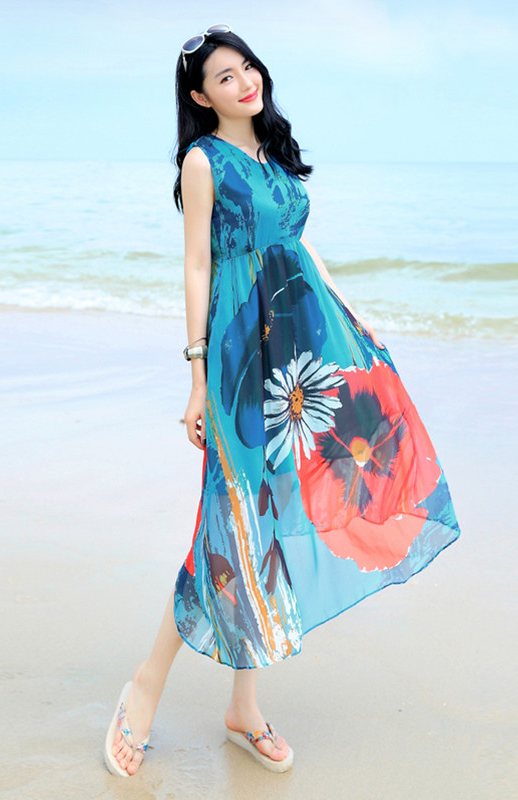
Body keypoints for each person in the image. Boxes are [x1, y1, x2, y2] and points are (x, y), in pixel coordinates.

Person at [104, 25, 460, 778]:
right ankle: (145, 686)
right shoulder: (204, 162)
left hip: (300, 350)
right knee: (229, 520)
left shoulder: (274, 153)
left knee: (270, 517)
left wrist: (353, 316)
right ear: (201, 96)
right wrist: (196, 375)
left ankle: (244, 707)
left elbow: (301, 249)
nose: (244, 83)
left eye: (247, 68)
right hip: (241, 354)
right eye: (224, 77)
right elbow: (197, 265)